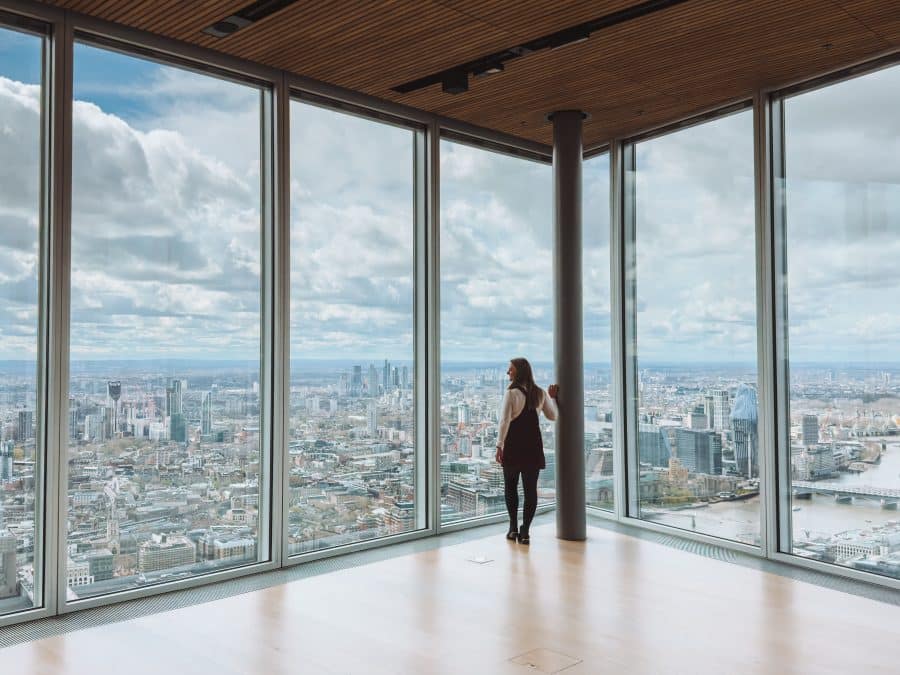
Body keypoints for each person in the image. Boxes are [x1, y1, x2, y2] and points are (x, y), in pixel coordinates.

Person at [494, 357, 558, 545]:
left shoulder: (511, 393)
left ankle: (513, 527)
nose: (508, 372)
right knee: (531, 491)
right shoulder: (539, 393)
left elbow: (504, 421)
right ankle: (525, 532)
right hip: (532, 447)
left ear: (518, 372)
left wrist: (499, 445)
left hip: (513, 446)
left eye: (510, 369)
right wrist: (552, 397)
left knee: (510, 488)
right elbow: (552, 416)